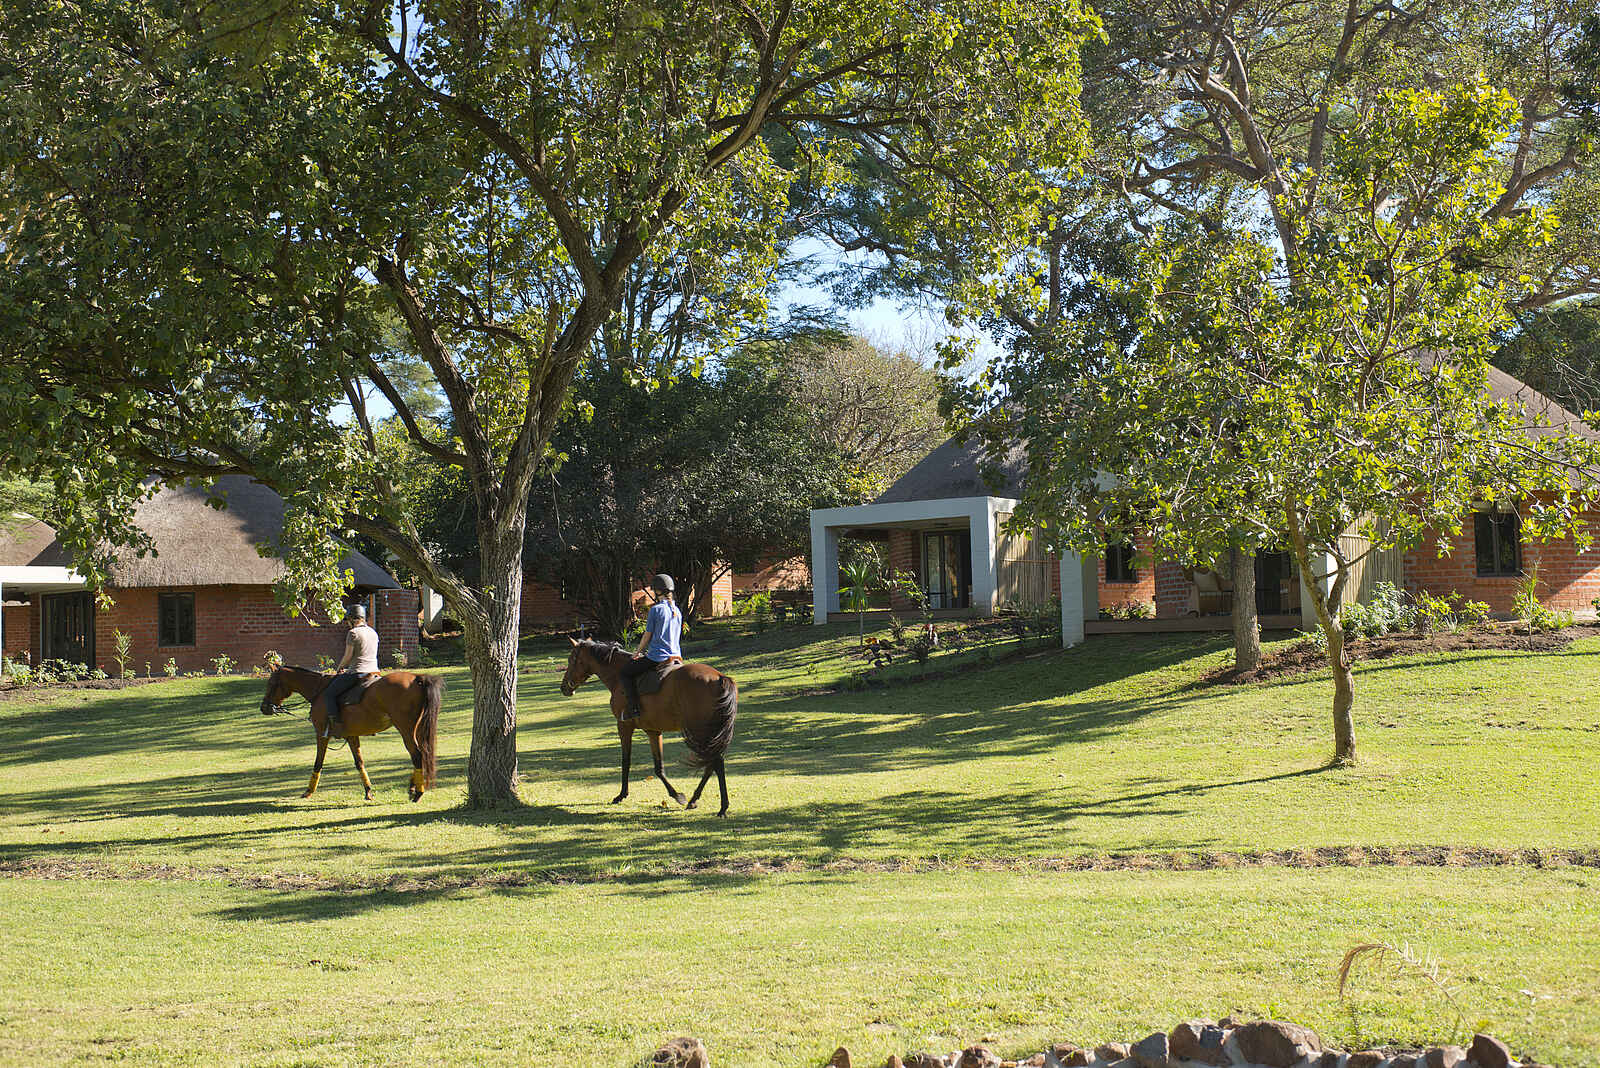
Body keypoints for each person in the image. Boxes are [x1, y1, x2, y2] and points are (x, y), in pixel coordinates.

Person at [619, 574, 682, 723]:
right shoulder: (677, 611)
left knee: (625, 673)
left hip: (657, 657)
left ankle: (633, 709)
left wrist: (637, 652)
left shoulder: (656, 610)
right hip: (676, 656)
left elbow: (647, 636)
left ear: (657, 591)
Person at [320, 603, 380, 738]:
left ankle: (337, 727)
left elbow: (347, 657)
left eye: (348, 620)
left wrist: (339, 668)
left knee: (329, 694)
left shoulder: (353, 633)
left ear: (353, 619)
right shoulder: (373, 632)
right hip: (374, 672)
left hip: (358, 672)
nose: (347, 624)